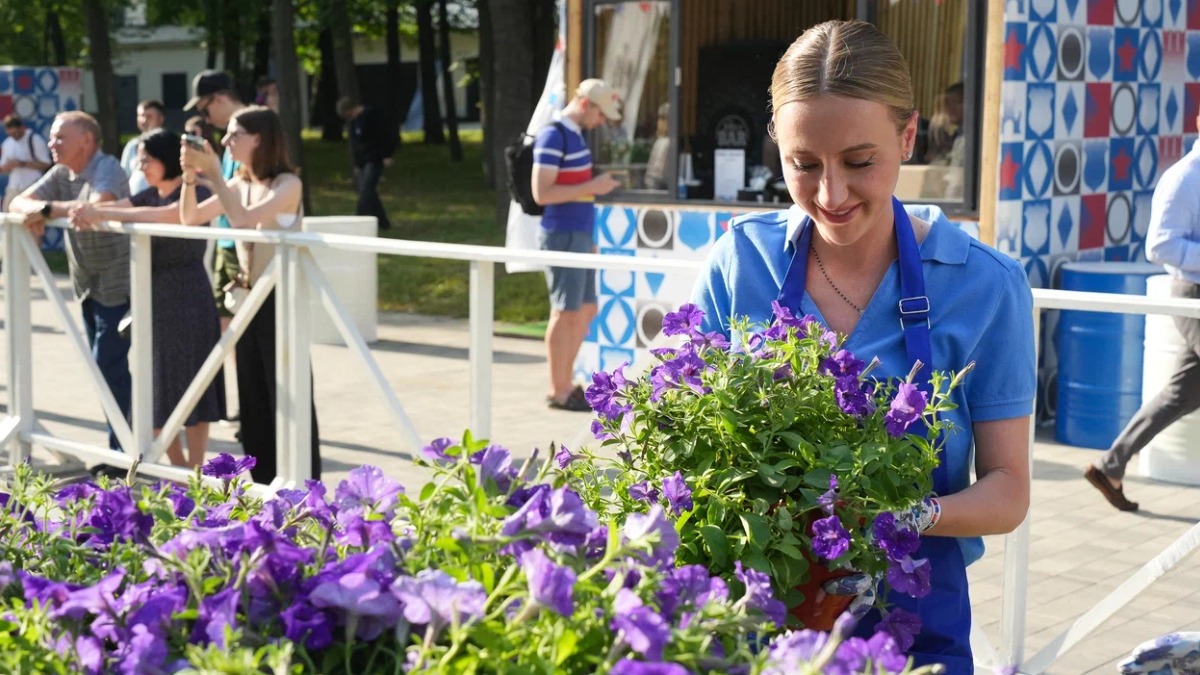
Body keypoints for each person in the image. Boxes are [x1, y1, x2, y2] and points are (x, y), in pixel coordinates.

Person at [689, 21, 1035, 672]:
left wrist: (899, 514)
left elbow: (1008, 490)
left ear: (908, 137)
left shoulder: (986, 285)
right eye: (804, 165)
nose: (831, 195)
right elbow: (696, 465)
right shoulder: (740, 262)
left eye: (859, 162)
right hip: (758, 619)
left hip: (914, 626)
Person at [68, 129, 227, 469]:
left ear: (166, 159)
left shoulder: (196, 192)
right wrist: (87, 210)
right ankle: (180, 469)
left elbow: (169, 216)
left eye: (147, 158)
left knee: (196, 386)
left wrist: (105, 215)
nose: (140, 165)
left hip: (189, 295)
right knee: (155, 388)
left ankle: (196, 468)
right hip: (153, 296)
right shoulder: (146, 195)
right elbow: (117, 207)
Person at [179, 105, 320, 484]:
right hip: (250, 298)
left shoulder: (288, 184)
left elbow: (242, 219)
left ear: (258, 138)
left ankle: (306, 484)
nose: (225, 142)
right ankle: (264, 483)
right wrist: (191, 178)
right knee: (252, 391)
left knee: (288, 391)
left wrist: (214, 175)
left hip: (282, 299)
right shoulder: (238, 183)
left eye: (234, 134)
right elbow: (190, 218)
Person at [1084, 115, 1200, 512]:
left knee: (1181, 394)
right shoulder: (1184, 178)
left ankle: (1110, 465)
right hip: (1192, 294)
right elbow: (1159, 247)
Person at [9, 111, 133, 452]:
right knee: (103, 367)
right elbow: (19, 200)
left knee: (107, 363)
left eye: (60, 137)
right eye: (51, 137)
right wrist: (44, 208)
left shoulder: (105, 166)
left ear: (87, 141)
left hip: (117, 281)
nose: (52, 143)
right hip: (86, 283)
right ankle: (123, 446)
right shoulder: (61, 172)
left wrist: (46, 210)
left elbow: (97, 204)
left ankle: (124, 449)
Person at [531, 78, 623, 412]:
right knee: (565, 311)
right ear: (585, 104)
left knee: (585, 310)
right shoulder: (554, 134)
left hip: (579, 234)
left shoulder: (573, 135)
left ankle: (566, 383)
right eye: (600, 114)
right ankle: (559, 389)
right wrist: (593, 185)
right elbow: (543, 193)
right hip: (563, 234)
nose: (602, 122)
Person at [185, 69, 247, 418]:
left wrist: (206, 177)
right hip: (227, 240)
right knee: (228, 329)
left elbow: (237, 191)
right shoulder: (231, 134)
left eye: (205, 108)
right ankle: (239, 403)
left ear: (219, 99)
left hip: (241, 242)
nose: (205, 117)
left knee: (239, 331)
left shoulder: (247, 130)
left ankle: (245, 403)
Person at [337, 97, 395, 231]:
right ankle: (383, 222)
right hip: (363, 161)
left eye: (349, 114)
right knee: (370, 192)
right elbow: (356, 145)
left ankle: (358, 220)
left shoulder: (372, 116)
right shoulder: (354, 123)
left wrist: (386, 155)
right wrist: (357, 164)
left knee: (366, 190)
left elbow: (384, 136)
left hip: (375, 159)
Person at [0, 115, 52, 211]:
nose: (14, 136)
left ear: (22, 128)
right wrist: (8, 167)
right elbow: (2, 167)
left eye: (15, 133)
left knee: (30, 217)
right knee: (7, 218)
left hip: (32, 186)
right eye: (10, 134)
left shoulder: (35, 139)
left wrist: (21, 164)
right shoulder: (7, 143)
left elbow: (46, 164)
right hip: (13, 186)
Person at [119, 100, 165, 195]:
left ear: (161, 119)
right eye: (141, 116)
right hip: (133, 203)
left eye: (149, 116)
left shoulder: (169, 145)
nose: (144, 120)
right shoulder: (132, 146)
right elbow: (123, 178)